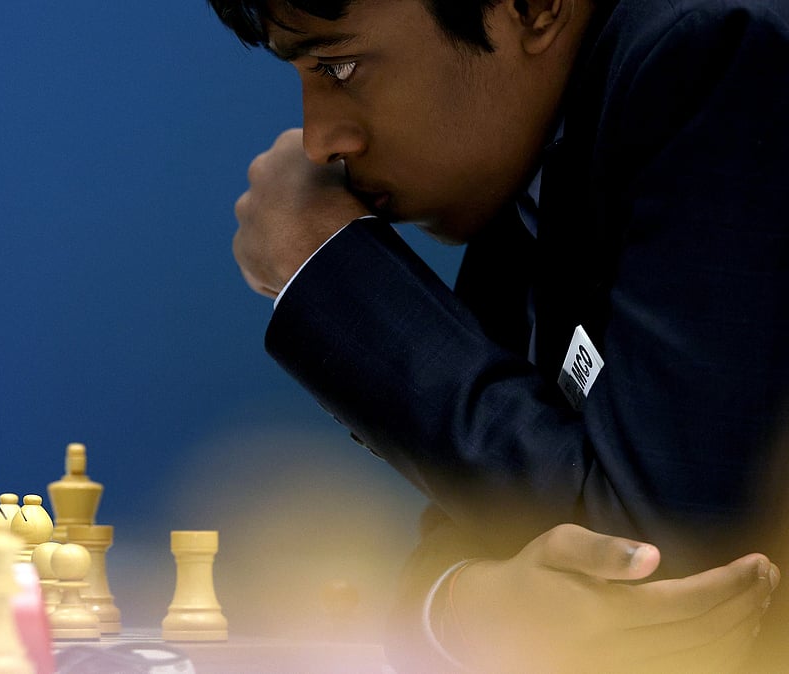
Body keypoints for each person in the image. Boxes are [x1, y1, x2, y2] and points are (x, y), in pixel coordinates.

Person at [207, 0, 789, 670]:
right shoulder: (529, 145)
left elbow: (672, 575)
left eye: (340, 66)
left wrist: (330, 272)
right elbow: (471, 528)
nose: (319, 142)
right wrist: (461, 609)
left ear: (534, 9)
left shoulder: (712, 55)